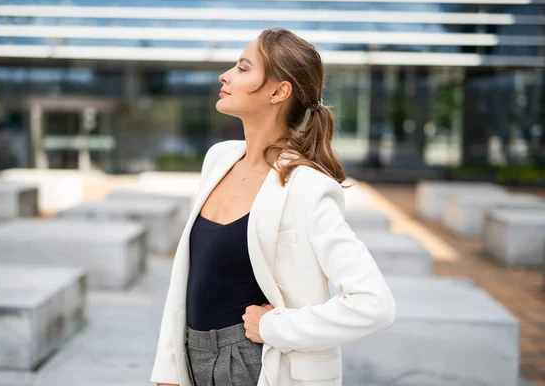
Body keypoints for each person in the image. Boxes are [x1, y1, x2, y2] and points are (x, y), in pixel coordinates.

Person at [151, 27, 396, 386]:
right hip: (194, 358)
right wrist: (169, 371)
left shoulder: (308, 187)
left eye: (243, 68)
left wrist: (276, 326)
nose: (226, 75)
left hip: (261, 366)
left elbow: (374, 304)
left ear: (279, 91)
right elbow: (186, 283)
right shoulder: (218, 159)